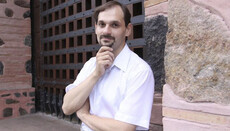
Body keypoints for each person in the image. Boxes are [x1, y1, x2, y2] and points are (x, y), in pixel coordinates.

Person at [62, 1, 154, 131]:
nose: (106, 31)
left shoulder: (139, 71)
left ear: (128, 29)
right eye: (101, 24)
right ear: (96, 28)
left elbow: (124, 128)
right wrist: (96, 74)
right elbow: (67, 107)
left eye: (114, 25)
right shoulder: (91, 64)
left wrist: (84, 115)